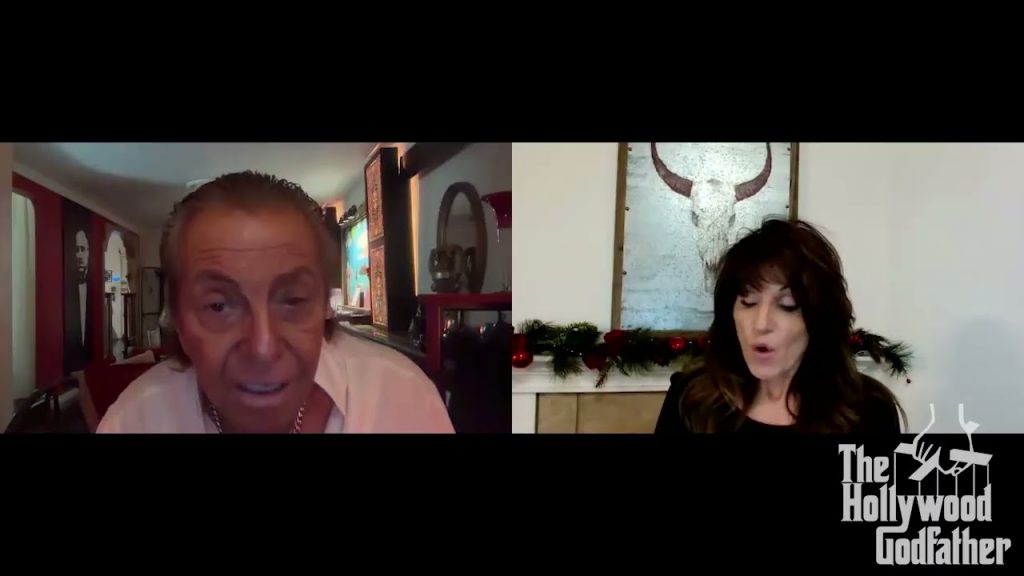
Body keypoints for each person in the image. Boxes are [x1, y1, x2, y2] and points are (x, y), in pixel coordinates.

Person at [98, 171, 453, 433]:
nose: (263, 348)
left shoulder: (402, 400)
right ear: (177, 319)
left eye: (294, 300)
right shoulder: (134, 421)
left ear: (324, 306)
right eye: (219, 306)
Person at [655, 218, 905, 434]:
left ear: (819, 319)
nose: (761, 324)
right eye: (748, 302)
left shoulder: (870, 411)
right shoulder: (690, 400)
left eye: (788, 305)